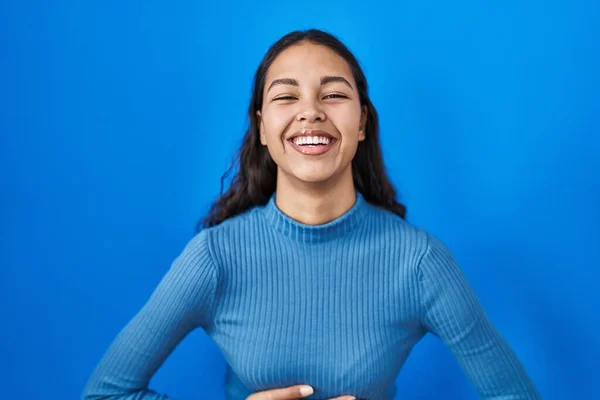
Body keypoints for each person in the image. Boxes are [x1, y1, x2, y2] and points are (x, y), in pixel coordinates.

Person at [81, 29, 541, 400]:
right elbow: (104, 394)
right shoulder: (214, 258)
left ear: (361, 122)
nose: (311, 113)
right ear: (262, 126)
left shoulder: (418, 263)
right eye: (286, 97)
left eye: (333, 95)